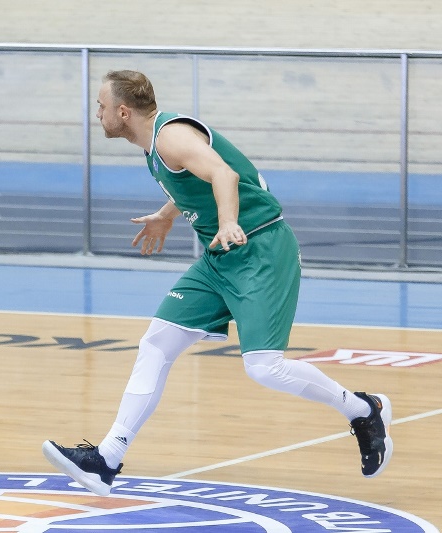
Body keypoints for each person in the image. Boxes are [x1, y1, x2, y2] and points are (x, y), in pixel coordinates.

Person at [42, 70, 392, 497]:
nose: (97, 113)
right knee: (157, 343)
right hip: (220, 257)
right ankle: (107, 459)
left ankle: (363, 409)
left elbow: (224, 175)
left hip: (259, 247)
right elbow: (197, 179)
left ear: (123, 111)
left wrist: (227, 221)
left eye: (101, 106)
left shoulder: (170, 136)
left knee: (264, 367)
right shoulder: (156, 145)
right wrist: (167, 215)